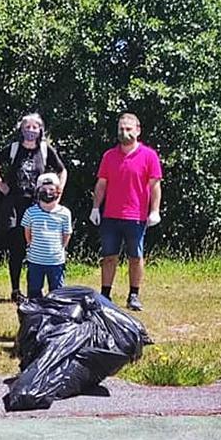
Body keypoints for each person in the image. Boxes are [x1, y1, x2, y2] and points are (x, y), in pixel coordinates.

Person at [90, 112, 162, 311]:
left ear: (138, 130)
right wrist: (96, 207)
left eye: (129, 129)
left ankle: (134, 295)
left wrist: (154, 211)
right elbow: (101, 184)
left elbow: (155, 186)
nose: (125, 132)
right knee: (109, 256)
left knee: (135, 257)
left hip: (136, 216)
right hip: (111, 216)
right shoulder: (109, 156)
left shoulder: (149, 156)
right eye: (121, 129)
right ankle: (105, 295)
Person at [0, 113, 67, 302]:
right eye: (27, 127)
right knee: (16, 248)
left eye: (35, 127)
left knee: (38, 246)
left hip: (38, 205)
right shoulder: (13, 148)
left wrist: (58, 191)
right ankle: (15, 290)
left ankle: (39, 289)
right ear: (21, 129)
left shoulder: (45, 149)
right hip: (14, 205)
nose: (31, 130)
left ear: (40, 130)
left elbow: (62, 169)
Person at [22, 174, 72, 298]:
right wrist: (30, 245)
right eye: (44, 190)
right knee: (34, 291)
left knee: (57, 292)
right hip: (35, 260)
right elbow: (27, 232)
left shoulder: (65, 213)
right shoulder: (30, 212)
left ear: (58, 192)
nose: (48, 193)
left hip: (56, 261)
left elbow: (66, 234)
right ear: (37, 191)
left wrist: (60, 248)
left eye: (51, 189)